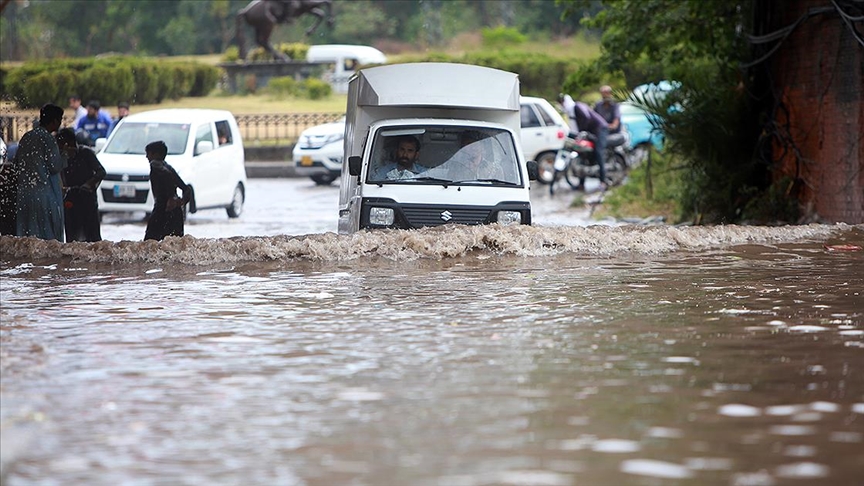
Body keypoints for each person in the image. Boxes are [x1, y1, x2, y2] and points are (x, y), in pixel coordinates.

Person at [14, 103, 66, 241]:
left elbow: (17, 163)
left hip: (24, 195)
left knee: (26, 237)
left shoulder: (27, 137)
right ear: (54, 121)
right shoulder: (48, 139)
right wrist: (65, 155)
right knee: (47, 239)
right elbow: (55, 166)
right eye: (59, 120)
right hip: (44, 196)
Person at [56, 128, 105, 242]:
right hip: (70, 198)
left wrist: (88, 185)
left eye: (63, 145)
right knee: (72, 236)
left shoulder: (86, 153)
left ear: (70, 143)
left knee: (92, 236)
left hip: (87, 198)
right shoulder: (61, 156)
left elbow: (101, 172)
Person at [144, 141, 192, 241]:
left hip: (162, 210)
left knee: (150, 244)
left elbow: (165, 174)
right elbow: (186, 188)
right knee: (175, 245)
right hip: (175, 213)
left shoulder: (155, 165)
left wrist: (171, 197)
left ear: (156, 154)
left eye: (148, 153)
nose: (147, 157)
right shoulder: (169, 167)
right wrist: (181, 201)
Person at [570, 100, 610, 190]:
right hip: (591, 132)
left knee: (599, 153)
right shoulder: (574, 110)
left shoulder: (577, 107)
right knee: (584, 154)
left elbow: (586, 117)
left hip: (601, 129)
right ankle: (581, 184)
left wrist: (582, 131)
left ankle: (603, 182)